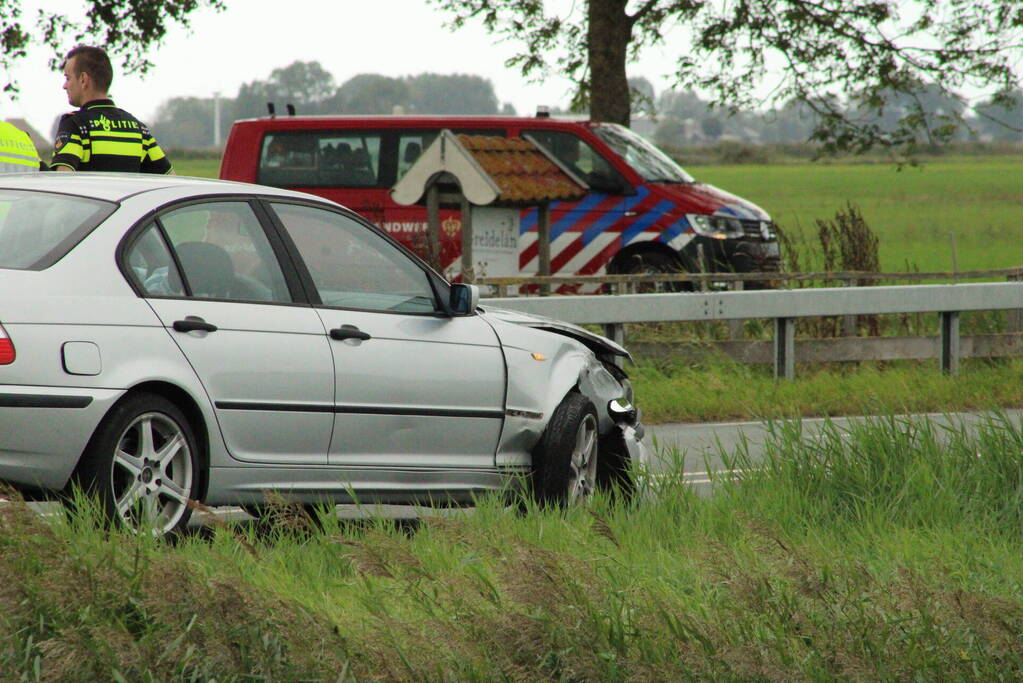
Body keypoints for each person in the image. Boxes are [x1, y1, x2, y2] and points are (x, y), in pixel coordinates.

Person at [50, 45, 173, 174]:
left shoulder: (75, 124)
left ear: (83, 79)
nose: (64, 86)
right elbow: (170, 180)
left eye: (68, 78)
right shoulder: (139, 129)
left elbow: (63, 179)